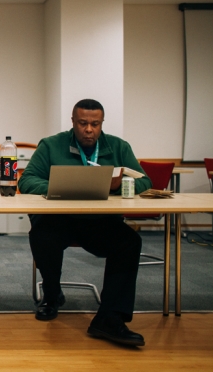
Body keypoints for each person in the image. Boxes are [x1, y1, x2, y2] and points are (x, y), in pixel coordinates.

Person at [18, 98, 152, 347]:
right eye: (82, 123)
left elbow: (144, 181)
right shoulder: (51, 145)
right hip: (59, 218)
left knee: (129, 241)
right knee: (42, 234)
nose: (89, 129)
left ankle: (110, 317)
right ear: (73, 122)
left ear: (101, 124)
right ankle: (51, 294)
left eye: (95, 124)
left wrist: (117, 186)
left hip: (99, 220)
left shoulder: (118, 146)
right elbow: (27, 181)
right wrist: (61, 187)